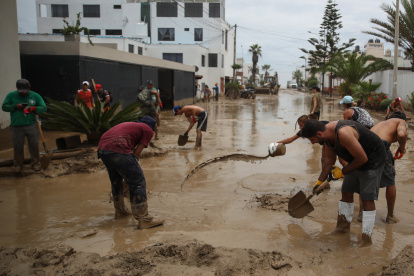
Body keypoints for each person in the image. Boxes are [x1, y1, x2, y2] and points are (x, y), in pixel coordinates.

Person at [301, 119, 386, 247]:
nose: (312, 143)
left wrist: (343, 172)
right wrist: (319, 181)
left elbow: (363, 158)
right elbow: (329, 160)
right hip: (355, 159)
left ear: (319, 134)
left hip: (373, 159)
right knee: (346, 190)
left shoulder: (343, 133)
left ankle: (366, 239)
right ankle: (342, 229)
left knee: (367, 197)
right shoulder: (327, 138)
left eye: (312, 139)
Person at [97, 116, 164, 230]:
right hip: (118, 149)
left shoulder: (130, 125)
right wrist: (134, 169)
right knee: (138, 182)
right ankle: (144, 219)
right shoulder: (147, 129)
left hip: (103, 150)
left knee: (116, 181)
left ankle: (120, 211)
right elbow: (137, 153)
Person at [357, 111, 408, 224]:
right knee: (390, 181)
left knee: (365, 181)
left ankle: (361, 214)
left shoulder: (380, 124)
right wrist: (402, 148)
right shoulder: (401, 121)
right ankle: (390, 216)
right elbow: (402, 135)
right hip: (380, 147)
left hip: (364, 148)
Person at [1, 79, 47, 173]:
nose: (23, 94)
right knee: (18, 146)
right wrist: (15, 106)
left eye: (25, 91)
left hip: (32, 125)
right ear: (17, 89)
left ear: (29, 88)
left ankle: (35, 163)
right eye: (21, 92)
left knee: (34, 145)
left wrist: (33, 108)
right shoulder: (11, 96)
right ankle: (18, 165)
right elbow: (4, 107)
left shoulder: (35, 96)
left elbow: (43, 108)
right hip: (16, 126)